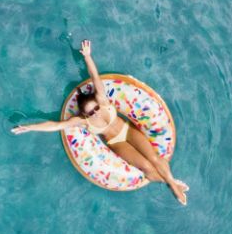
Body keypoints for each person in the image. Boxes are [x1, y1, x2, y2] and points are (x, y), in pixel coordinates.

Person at [11, 40, 189, 204]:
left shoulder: (103, 101)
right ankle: (170, 182)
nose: (95, 113)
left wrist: (87, 56)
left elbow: (95, 77)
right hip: (117, 143)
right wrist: (29, 127)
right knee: (146, 167)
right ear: (84, 114)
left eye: (95, 108)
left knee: (154, 158)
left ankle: (173, 185)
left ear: (98, 103)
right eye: (90, 112)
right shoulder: (82, 121)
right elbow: (56, 125)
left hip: (127, 131)